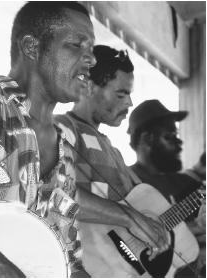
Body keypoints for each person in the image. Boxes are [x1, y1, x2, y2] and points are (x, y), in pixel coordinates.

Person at [0, 1, 96, 277]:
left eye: (91, 49)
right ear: (32, 47)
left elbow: (68, 256)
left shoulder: (64, 152)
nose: (92, 59)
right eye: (77, 45)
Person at [55, 45, 169, 277]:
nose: (129, 103)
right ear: (87, 86)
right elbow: (54, 191)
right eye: (121, 93)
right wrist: (129, 217)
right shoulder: (61, 128)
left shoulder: (113, 149)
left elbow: (139, 209)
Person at [126, 99, 206, 277]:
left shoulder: (189, 185)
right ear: (147, 138)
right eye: (170, 136)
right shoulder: (122, 181)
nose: (179, 143)